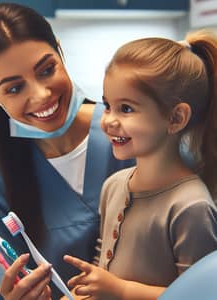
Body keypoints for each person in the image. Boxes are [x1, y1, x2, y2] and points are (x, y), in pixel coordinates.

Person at [0, 2, 134, 299]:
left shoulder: (134, 132)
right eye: (14, 88)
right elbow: (0, 283)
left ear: (59, 52)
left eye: (46, 70)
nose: (41, 95)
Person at [62, 29, 217, 299]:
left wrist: (121, 290)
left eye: (126, 108)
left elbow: (199, 295)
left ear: (176, 118)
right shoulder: (113, 186)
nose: (108, 120)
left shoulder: (191, 206)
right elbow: (103, 270)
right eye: (107, 104)